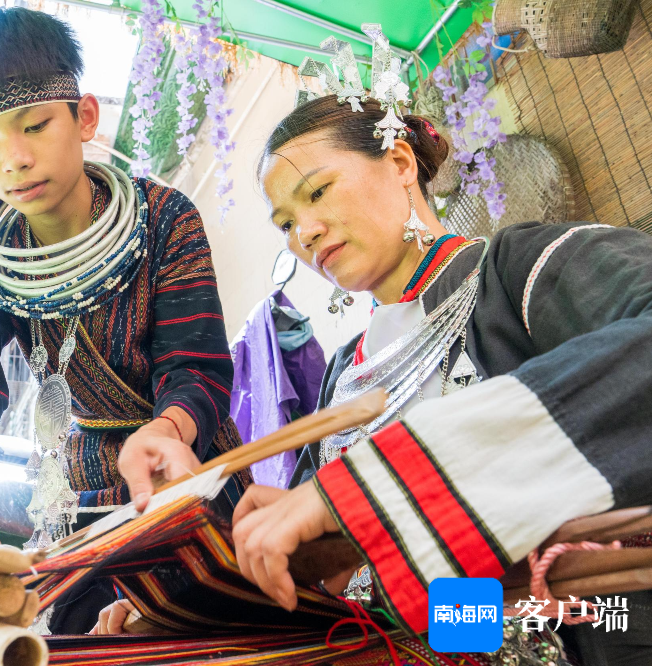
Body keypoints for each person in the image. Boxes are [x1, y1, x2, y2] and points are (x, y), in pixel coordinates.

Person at [229, 90, 652, 664]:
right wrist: (195, 596)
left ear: (400, 164)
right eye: (284, 222)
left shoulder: (514, 273)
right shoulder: (342, 377)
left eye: (318, 191)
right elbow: (400, 593)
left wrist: (376, 487)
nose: (303, 231)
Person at [0, 7, 249, 639]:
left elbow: (198, 366)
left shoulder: (164, 218)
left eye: (35, 125)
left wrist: (170, 430)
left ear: (86, 117)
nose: (13, 160)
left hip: (187, 485)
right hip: (80, 510)